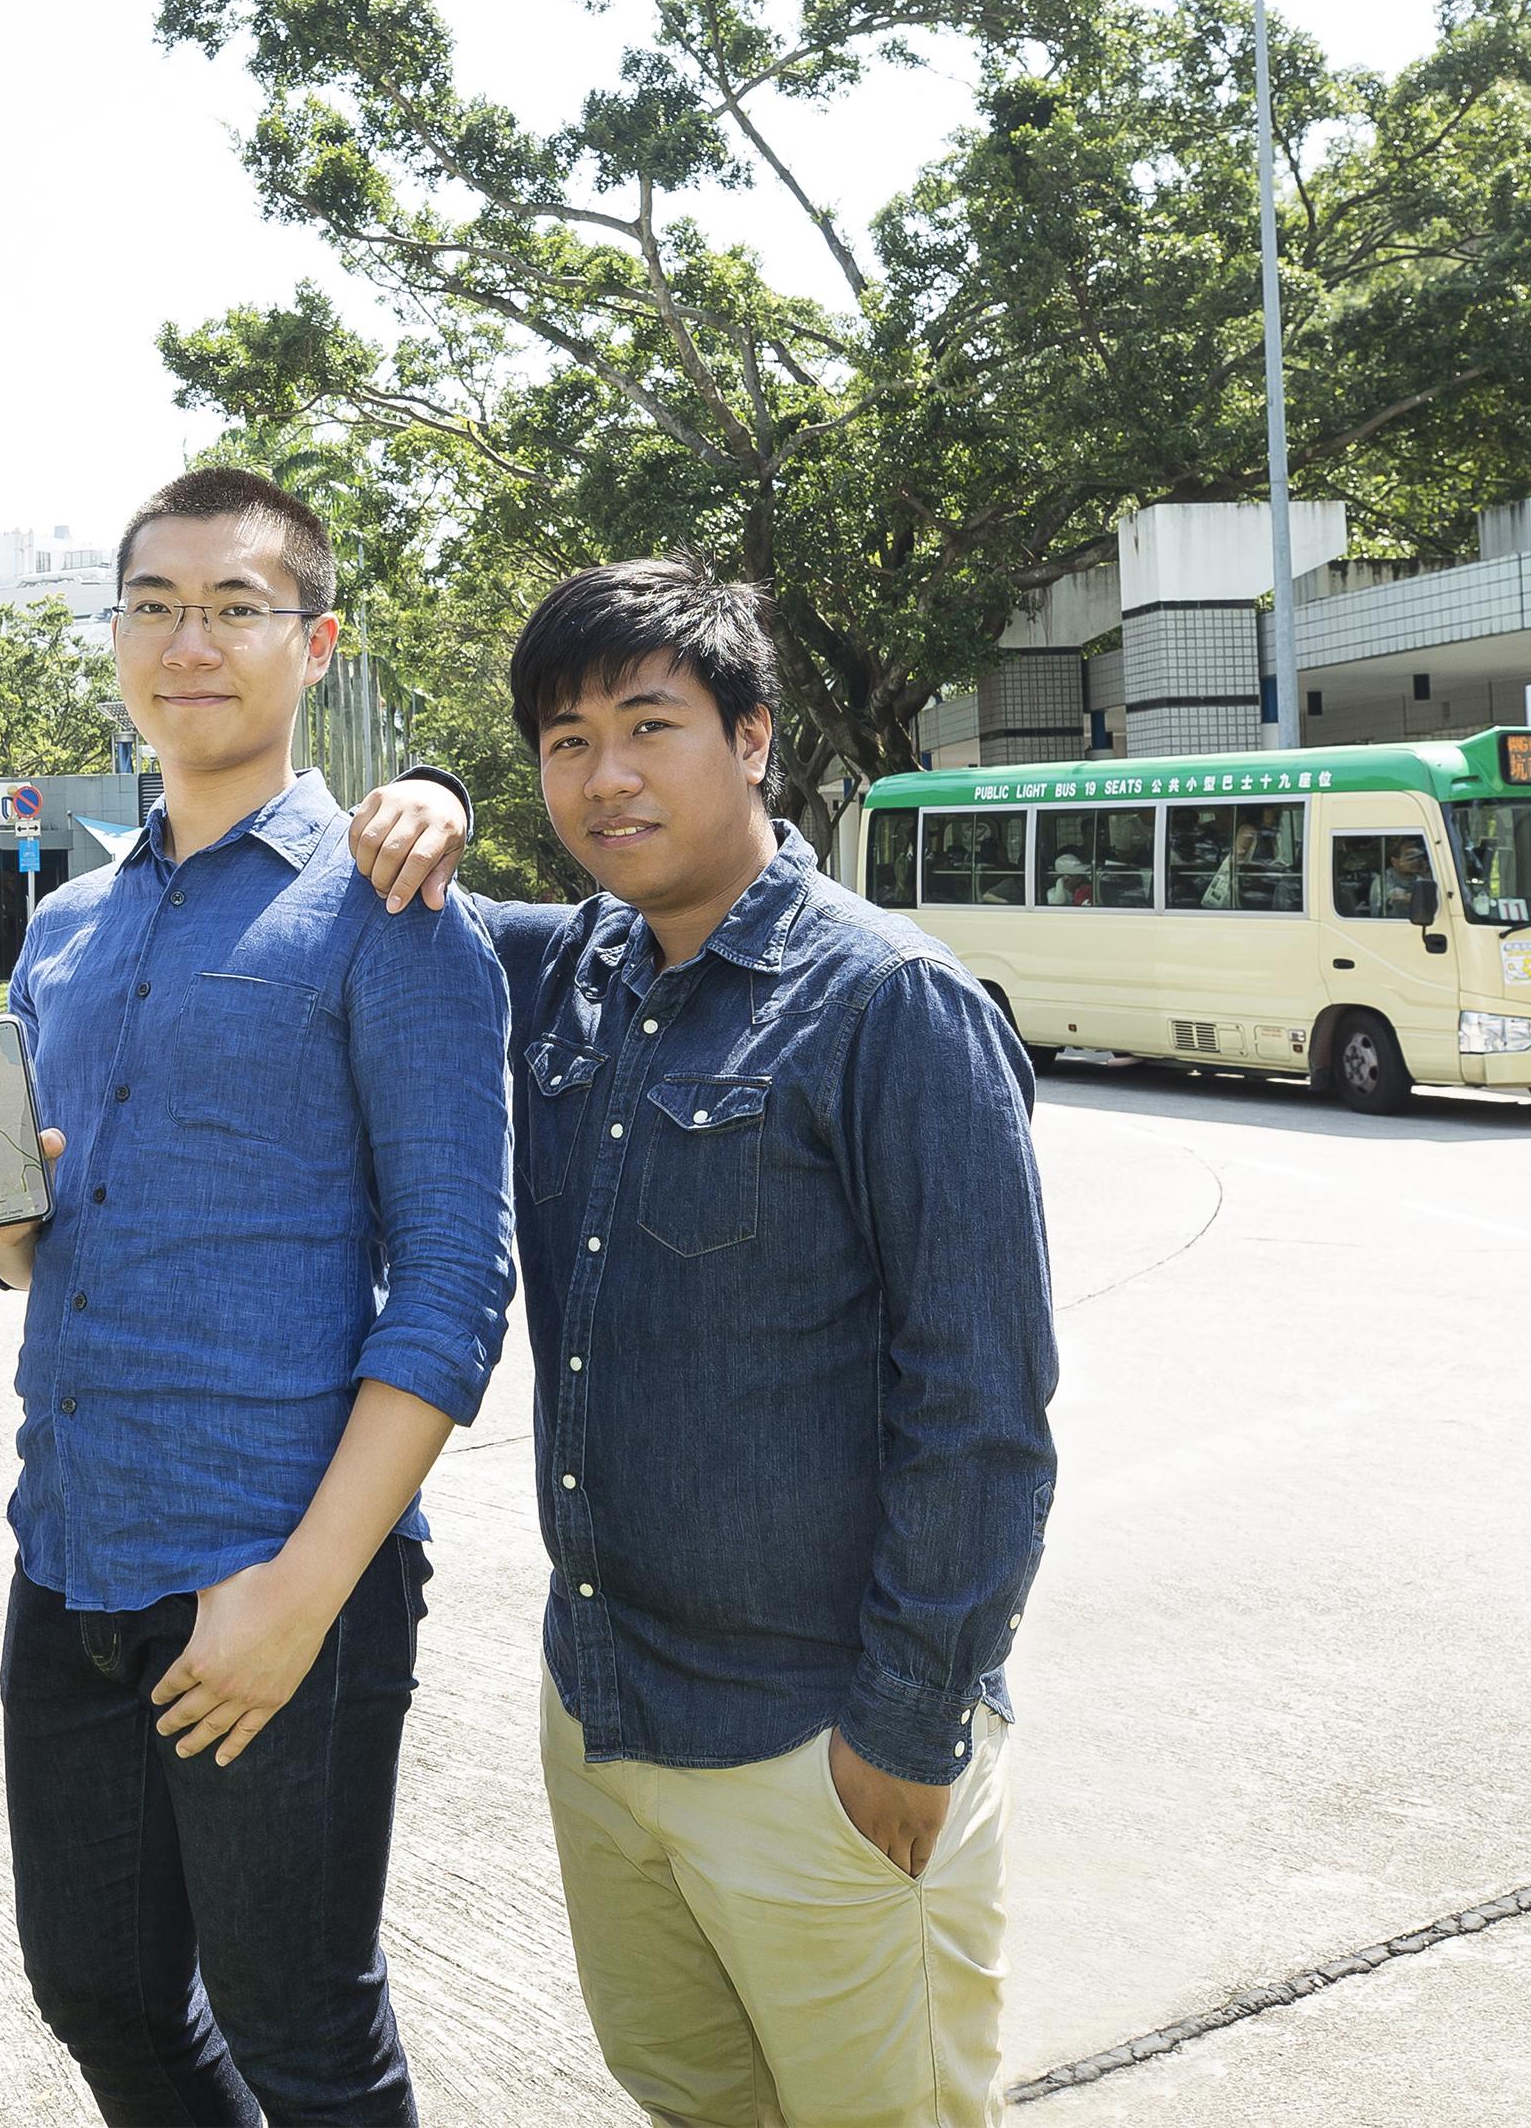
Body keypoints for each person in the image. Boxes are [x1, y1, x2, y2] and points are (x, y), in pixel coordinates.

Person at [345, 562, 1060, 2128]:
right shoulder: (574, 970)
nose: (605, 776)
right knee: (686, 2092)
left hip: (821, 1740)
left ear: (752, 738)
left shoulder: (892, 1003)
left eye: (649, 724)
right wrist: (423, 786)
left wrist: (905, 1726)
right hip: (606, 1712)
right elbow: (402, 896)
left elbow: (986, 1405)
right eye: (563, 739)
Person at [0, 467, 515, 2128]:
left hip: (273, 1569)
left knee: (303, 2029)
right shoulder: (68, 933)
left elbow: (457, 1283)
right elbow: (46, 1262)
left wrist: (305, 1595)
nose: (191, 640)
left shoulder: (394, 910)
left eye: (235, 606)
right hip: (77, 1560)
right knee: (94, 1988)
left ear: (313, 643)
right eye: (154, 604)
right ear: (112, 638)